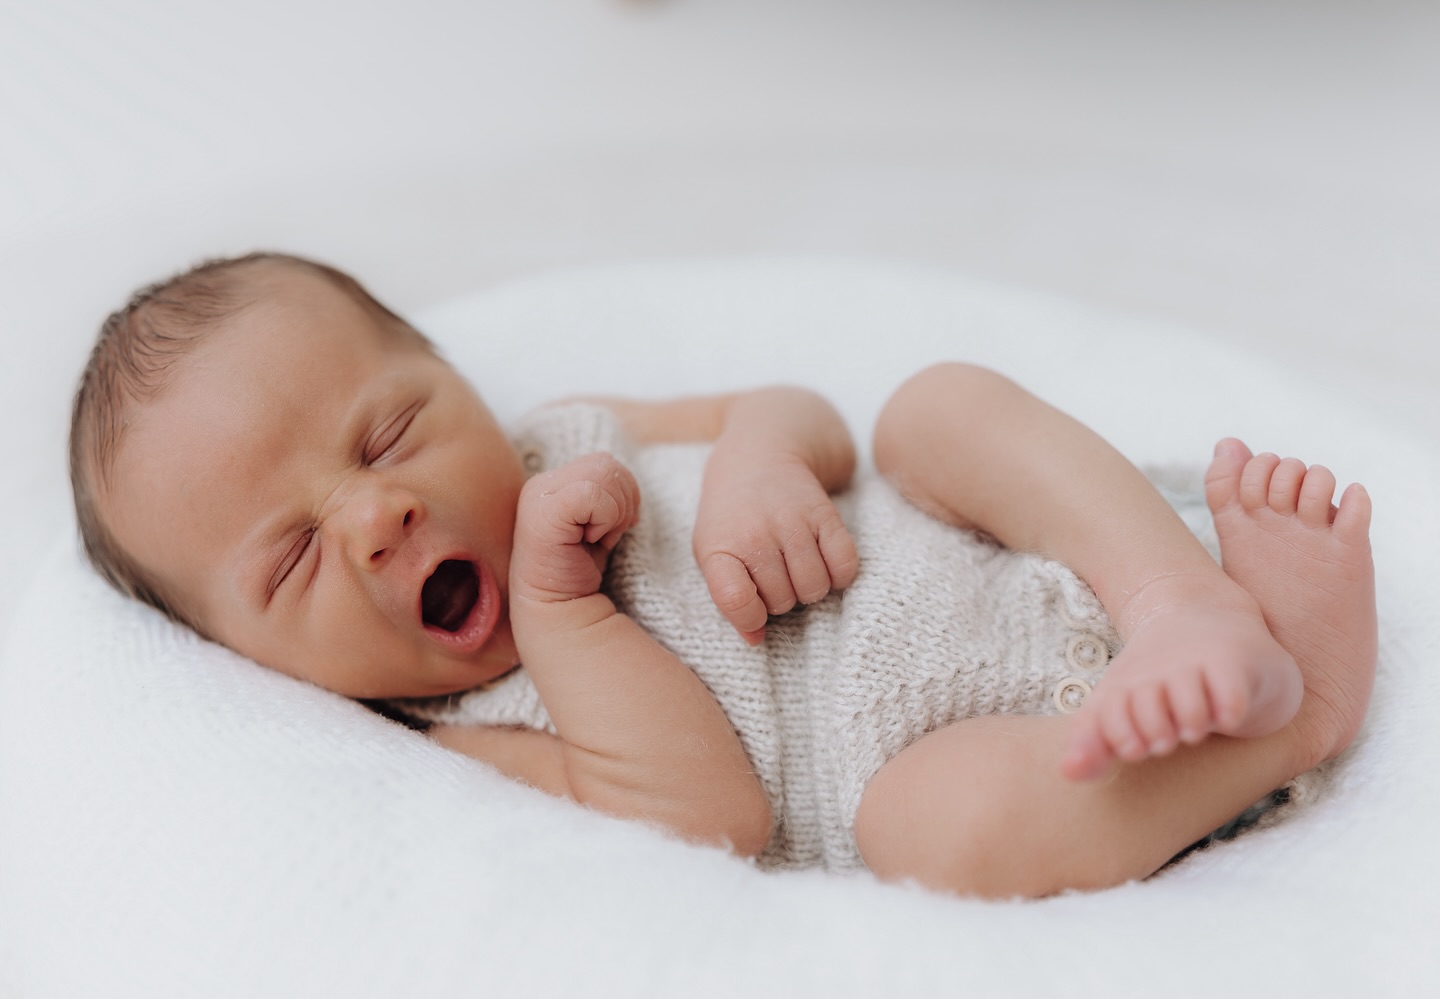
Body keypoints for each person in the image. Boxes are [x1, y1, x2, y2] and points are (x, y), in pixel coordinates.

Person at [68, 252, 1377, 898]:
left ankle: (1175, 597)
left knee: (931, 409)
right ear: (245, 666)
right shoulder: (457, 739)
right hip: (1001, 751)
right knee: (925, 834)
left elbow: (799, 409)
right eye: (294, 559)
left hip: (1002, 555)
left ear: (458, 385)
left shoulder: (568, 432)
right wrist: (561, 612)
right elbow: (708, 823)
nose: (375, 515)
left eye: (392, 432)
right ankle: (1294, 713)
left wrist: (763, 456)